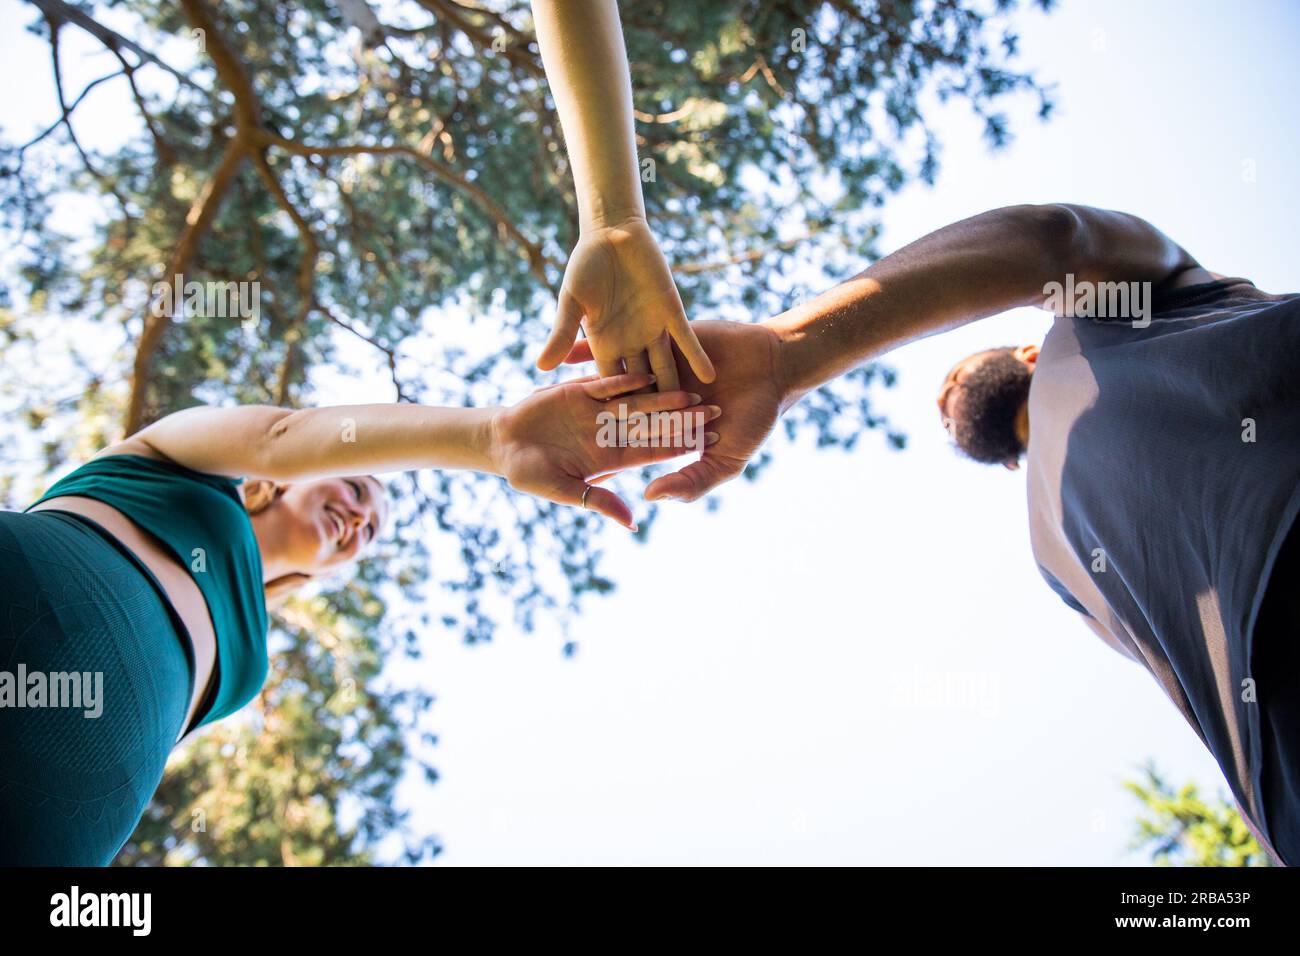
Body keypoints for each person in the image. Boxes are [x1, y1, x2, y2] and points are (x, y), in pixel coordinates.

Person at [563, 203, 1300, 864]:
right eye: (943, 405)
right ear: (1004, 462)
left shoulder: (1101, 316)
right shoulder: (1055, 555)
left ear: (1028, 352)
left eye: (953, 375)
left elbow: (1051, 240)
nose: (940, 395)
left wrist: (788, 353)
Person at [0, 377, 719, 865]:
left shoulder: (251, 650)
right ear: (283, 482)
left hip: (64, 821)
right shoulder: (175, 462)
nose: (360, 517)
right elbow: (287, 434)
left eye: (371, 529)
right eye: (354, 488)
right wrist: (491, 439)